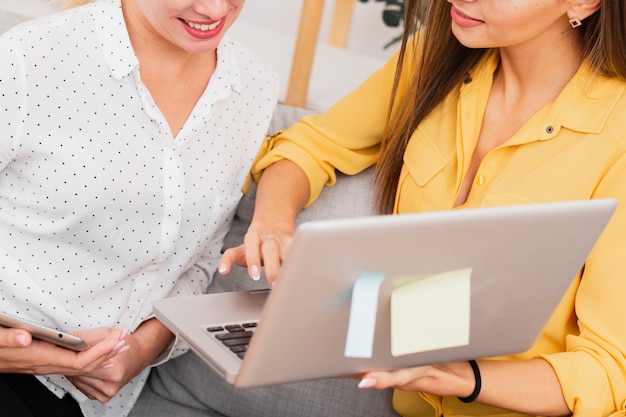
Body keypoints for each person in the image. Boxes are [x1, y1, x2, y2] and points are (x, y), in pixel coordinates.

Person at [130, 0, 626, 416]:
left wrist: (460, 376)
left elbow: (608, 369)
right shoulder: (433, 62)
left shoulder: (617, 136)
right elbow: (310, 146)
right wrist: (274, 223)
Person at [0, 0, 278, 416]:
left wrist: (143, 349)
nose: (216, 7)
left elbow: (199, 259)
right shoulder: (28, 59)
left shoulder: (255, 87)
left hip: (94, 401)